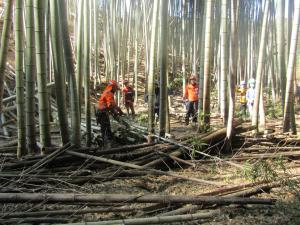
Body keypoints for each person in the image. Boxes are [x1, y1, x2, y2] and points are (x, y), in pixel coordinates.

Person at [96, 80, 124, 147]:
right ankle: (106, 145)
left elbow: (110, 105)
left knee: (106, 128)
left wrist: (116, 111)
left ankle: (108, 142)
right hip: (102, 112)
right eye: (115, 89)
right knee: (105, 129)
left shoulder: (107, 92)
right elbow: (111, 105)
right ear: (112, 87)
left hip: (102, 112)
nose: (116, 90)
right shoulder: (109, 93)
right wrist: (118, 111)